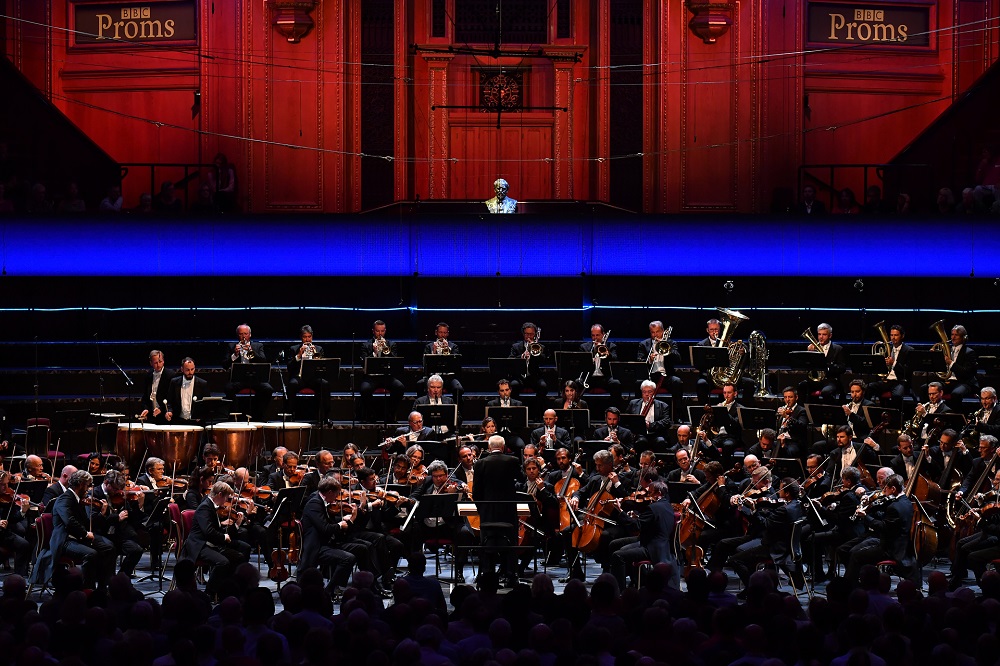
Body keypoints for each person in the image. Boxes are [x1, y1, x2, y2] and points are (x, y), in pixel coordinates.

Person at [30, 470, 116, 592]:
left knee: (109, 547)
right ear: (80, 484)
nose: (88, 489)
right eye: (87, 485)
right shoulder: (64, 499)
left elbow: (86, 522)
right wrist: (86, 534)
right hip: (65, 540)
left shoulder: (78, 500)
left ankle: (103, 587)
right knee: (91, 554)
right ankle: (88, 589)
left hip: (77, 537)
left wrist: (101, 514)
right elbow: (69, 521)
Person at [560, 449, 630, 581]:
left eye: (600, 465)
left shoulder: (623, 480)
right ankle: (575, 571)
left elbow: (627, 499)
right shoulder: (595, 480)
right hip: (593, 520)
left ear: (610, 465)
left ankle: (606, 569)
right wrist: (575, 497)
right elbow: (580, 491)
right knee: (567, 531)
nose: (596, 468)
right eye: (596, 465)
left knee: (605, 536)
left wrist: (616, 483)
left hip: (614, 522)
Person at [727, 478, 806, 592]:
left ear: (787, 493)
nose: (778, 492)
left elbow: (766, 524)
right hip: (788, 548)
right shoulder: (797, 505)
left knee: (734, 560)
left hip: (774, 549)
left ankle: (755, 590)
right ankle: (756, 587)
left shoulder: (784, 510)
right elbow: (776, 518)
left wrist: (753, 509)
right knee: (748, 556)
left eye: (781, 490)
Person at [178, 480, 252, 599]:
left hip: (211, 542)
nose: (227, 502)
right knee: (223, 562)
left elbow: (215, 530)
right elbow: (208, 532)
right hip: (199, 545)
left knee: (241, 553)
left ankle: (229, 589)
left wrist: (236, 525)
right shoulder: (205, 507)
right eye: (227, 498)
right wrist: (224, 537)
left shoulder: (212, 506)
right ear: (220, 495)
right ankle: (209, 593)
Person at [471, 435, 522, 588]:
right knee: (510, 542)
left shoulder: (480, 463)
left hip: (488, 511)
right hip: (508, 510)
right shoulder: (513, 461)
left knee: (488, 542)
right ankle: (510, 575)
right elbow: (520, 480)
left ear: (489, 447)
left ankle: (488, 575)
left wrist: (482, 509)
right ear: (504, 447)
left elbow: (476, 491)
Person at [844, 474, 914, 584]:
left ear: (893, 489)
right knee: (857, 548)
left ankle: (850, 586)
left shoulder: (894, 507)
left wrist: (865, 516)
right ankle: (865, 583)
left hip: (891, 548)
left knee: (856, 555)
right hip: (899, 543)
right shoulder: (906, 501)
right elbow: (886, 506)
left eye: (886, 488)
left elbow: (883, 527)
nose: (883, 491)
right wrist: (870, 505)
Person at [358, 320, 405, 423]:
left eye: (382, 331)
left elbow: (395, 362)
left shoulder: (391, 345)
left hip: (387, 376)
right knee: (364, 389)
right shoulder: (365, 345)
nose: (380, 334)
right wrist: (374, 353)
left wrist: (386, 352)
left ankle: (390, 414)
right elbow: (363, 364)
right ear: (373, 331)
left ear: (385, 331)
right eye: (377, 331)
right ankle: (371, 415)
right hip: (371, 377)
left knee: (400, 387)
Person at [223, 324, 273, 421]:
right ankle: (234, 416)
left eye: (245, 334)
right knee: (228, 388)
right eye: (241, 334)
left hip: (255, 379)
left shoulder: (258, 346)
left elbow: (264, 361)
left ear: (250, 335)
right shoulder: (231, 346)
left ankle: (259, 415)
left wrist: (252, 352)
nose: (243, 336)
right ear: (237, 335)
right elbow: (224, 365)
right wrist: (234, 355)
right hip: (238, 379)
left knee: (268, 389)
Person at [636, 321, 683, 421]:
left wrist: (667, 350)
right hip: (650, 376)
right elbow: (639, 360)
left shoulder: (671, 343)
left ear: (663, 331)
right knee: (638, 383)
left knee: (677, 382)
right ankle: (638, 414)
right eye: (652, 332)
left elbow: (678, 358)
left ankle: (678, 415)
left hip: (666, 375)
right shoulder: (644, 344)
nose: (655, 335)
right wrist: (649, 360)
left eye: (657, 332)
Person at [286, 325, 330, 423]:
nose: (307, 340)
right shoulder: (294, 349)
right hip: (299, 378)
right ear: (301, 337)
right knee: (292, 384)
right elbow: (289, 367)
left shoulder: (318, 349)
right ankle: (291, 414)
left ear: (312, 337)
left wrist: (315, 356)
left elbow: (323, 366)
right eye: (305, 337)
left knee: (325, 384)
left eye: (309, 337)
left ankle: (325, 416)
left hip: (314, 379)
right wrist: (298, 355)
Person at [865, 324, 913, 412]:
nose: (893, 338)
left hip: (900, 381)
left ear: (902, 336)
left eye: (896, 335)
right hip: (886, 380)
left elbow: (908, 371)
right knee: (868, 388)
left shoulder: (909, 350)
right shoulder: (887, 348)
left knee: (897, 396)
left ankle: (895, 417)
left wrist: (893, 363)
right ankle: (870, 414)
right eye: (891, 335)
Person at [798, 323, 847, 403]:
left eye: (824, 334)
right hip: (815, 380)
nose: (821, 337)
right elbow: (807, 365)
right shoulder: (812, 348)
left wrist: (827, 366)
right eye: (819, 334)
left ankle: (827, 413)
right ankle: (804, 412)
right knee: (801, 386)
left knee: (826, 392)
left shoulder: (838, 349)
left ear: (830, 336)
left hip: (830, 380)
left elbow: (842, 368)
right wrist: (809, 353)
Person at [418, 322, 464, 403]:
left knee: (458, 389)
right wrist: (434, 352)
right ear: (436, 333)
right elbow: (425, 364)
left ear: (448, 333)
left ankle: (457, 413)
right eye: (440, 332)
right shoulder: (429, 346)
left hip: (449, 378)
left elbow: (456, 364)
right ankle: (422, 410)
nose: (442, 335)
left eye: (445, 333)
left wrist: (448, 350)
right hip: (432, 377)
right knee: (420, 384)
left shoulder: (454, 347)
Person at [508, 322, 549, 410]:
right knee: (513, 385)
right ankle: (517, 411)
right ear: (523, 334)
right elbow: (510, 360)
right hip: (520, 377)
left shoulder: (540, 347)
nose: (529, 336)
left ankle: (537, 413)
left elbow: (543, 360)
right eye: (527, 334)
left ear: (535, 334)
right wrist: (522, 356)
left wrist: (533, 352)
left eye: (531, 334)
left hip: (534, 376)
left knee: (543, 387)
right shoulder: (516, 347)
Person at [579, 324, 622, 404]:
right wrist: (591, 356)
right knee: (578, 382)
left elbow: (615, 361)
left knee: (616, 383)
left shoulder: (611, 346)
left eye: (598, 335)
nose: (595, 338)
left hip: (605, 377)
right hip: (590, 378)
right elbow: (581, 365)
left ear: (603, 334)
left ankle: (615, 409)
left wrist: (608, 354)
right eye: (593, 335)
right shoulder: (584, 347)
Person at [0, 471, 32, 576]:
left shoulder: (7, 498)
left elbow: (12, 519)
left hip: (3, 534)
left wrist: (23, 511)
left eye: (7, 484)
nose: (6, 488)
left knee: (24, 545)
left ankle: (19, 577)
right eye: (2, 485)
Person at [627, 380, 672, 451]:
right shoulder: (633, 403)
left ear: (654, 392)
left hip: (656, 434)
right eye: (644, 392)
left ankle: (660, 461)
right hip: (640, 435)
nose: (646, 394)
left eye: (649, 392)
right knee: (641, 442)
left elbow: (666, 422)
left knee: (661, 441)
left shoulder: (663, 406)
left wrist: (650, 425)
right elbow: (628, 419)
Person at [165, 357, 210, 424]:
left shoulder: (202, 384)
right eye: (187, 370)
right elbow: (169, 401)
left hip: (196, 422)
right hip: (178, 421)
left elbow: (207, 404)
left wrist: (201, 415)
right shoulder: (174, 382)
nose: (190, 372)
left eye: (192, 369)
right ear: (182, 369)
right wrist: (169, 411)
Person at [139, 349, 176, 424]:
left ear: (164, 361)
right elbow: (145, 396)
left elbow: (172, 398)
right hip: (151, 416)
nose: (158, 365)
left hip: (165, 416)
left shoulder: (170, 375)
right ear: (151, 363)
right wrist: (146, 409)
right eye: (155, 363)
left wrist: (161, 409)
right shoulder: (148, 375)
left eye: (160, 362)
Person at [775, 387, 809, 457]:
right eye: (785, 397)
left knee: (789, 452)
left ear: (796, 397)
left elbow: (801, 426)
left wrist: (786, 417)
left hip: (793, 441)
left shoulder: (801, 411)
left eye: (790, 397)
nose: (787, 400)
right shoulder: (783, 409)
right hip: (780, 439)